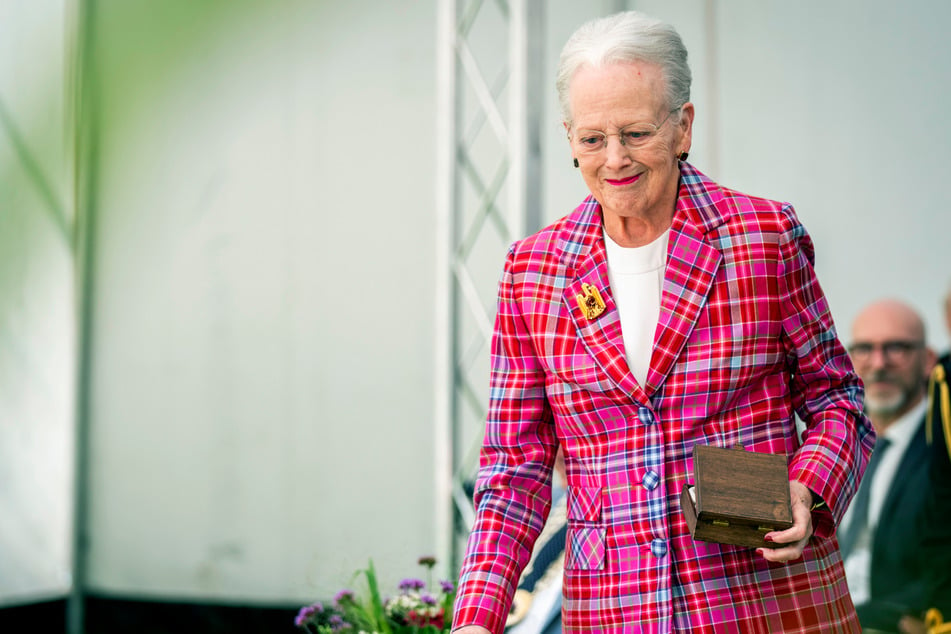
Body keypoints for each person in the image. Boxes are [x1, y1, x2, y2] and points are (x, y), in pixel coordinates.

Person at [450, 10, 873, 634]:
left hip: (766, 596)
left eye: (637, 133)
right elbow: (514, 465)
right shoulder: (532, 270)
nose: (614, 159)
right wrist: (476, 619)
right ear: (568, 137)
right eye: (592, 138)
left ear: (683, 126)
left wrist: (807, 489)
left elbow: (840, 399)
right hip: (616, 604)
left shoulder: (762, 238)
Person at [840, 299, 938, 632]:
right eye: (864, 349)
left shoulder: (943, 448)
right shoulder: (832, 448)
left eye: (896, 348)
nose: (878, 363)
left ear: (928, 361)